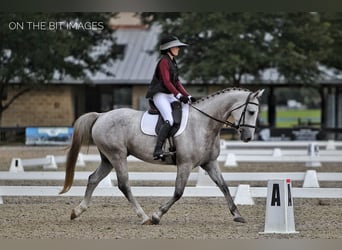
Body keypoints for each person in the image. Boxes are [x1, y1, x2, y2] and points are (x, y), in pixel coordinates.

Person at [146, 35, 196, 160]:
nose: (178, 49)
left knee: (186, 110)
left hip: (169, 94)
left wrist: (187, 96)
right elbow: (167, 82)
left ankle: (178, 145)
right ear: (168, 49)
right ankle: (158, 149)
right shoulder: (163, 61)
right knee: (169, 119)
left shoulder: (172, 61)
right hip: (160, 95)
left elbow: (177, 82)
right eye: (176, 47)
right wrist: (178, 95)